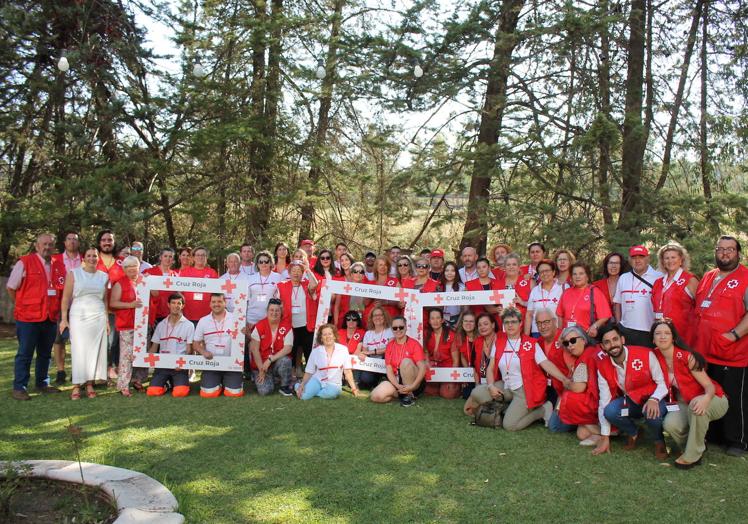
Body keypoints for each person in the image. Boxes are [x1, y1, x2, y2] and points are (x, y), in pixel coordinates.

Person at [464, 308, 568, 430]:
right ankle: (510, 407)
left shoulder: (530, 343)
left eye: (513, 321)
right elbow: (490, 368)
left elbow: (545, 363)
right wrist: (491, 386)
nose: (510, 325)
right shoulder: (499, 342)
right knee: (476, 392)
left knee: (510, 425)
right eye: (507, 322)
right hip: (506, 386)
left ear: (520, 323)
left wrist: (564, 379)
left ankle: (542, 410)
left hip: (524, 389)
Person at [694, 235, 748, 456]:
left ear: (738, 253)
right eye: (720, 249)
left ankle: (738, 441)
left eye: (730, 250)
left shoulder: (745, 277)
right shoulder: (708, 276)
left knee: (735, 399)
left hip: (733, 352)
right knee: (714, 394)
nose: (724, 253)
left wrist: (734, 334)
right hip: (707, 351)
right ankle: (715, 435)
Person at [652, 319, 728, 468]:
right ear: (653, 339)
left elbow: (709, 386)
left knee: (696, 406)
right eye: (658, 333)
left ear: (673, 338)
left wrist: (706, 399)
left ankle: (692, 456)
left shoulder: (687, 357)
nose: (662, 336)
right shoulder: (653, 356)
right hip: (683, 401)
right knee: (670, 424)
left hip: (713, 398)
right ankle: (696, 445)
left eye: (667, 333)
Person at [592, 323, 669, 460]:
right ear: (603, 347)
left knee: (652, 412)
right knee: (610, 411)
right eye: (607, 342)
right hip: (631, 402)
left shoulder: (645, 354)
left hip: (654, 399)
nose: (612, 345)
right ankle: (634, 433)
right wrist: (605, 436)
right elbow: (604, 401)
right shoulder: (603, 366)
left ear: (622, 340)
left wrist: (654, 399)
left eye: (615, 339)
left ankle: (659, 440)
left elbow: (662, 383)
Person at [7, 233, 62, 400]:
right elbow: (11, 287)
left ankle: (42, 383)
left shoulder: (57, 264)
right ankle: (19, 387)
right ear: (37, 246)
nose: (47, 247)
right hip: (28, 318)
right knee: (25, 353)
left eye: (50, 245)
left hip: (49, 317)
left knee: (45, 353)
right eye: (44, 244)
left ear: (54, 247)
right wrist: (22, 305)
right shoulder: (24, 262)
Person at [59, 247, 109, 400]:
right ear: (84, 258)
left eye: (95, 256)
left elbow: (105, 300)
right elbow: (66, 298)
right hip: (78, 316)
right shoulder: (74, 273)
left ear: (98, 258)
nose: (92, 258)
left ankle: (89, 383)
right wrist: (64, 319)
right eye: (89, 256)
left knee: (94, 351)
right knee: (79, 350)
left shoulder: (104, 276)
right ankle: (76, 385)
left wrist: (106, 319)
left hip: (98, 316)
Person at [547, 326, 602, 446]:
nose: (570, 346)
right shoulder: (591, 352)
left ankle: (608, 433)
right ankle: (604, 431)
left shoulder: (586, 356)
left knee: (567, 398)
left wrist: (567, 383)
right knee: (582, 434)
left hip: (595, 404)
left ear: (583, 339)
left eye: (573, 341)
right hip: (598, 403)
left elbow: (579, 388)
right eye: (566, 343)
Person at [193, 294, 244, 398]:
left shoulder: (236, 318)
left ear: (225, 303)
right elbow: (196, 344)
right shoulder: (203, 321)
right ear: (210, 304)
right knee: (208, 394)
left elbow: (244, 339)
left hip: (231, 364)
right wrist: (203, 352)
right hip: (212, 364)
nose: (216, 304)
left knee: (234, 394)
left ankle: (228, 381)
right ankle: (218, 382)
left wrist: (245, 332)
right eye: (214, 302)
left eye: (219, 301)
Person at [109, 256, 147, 396]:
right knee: (127, 355)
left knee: (142, 353)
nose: (133, 271)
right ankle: (123, 385)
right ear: (124, 269)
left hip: (142, 324)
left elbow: (154, 293)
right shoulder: (120, 283)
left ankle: (138, 380)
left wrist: (148, 279)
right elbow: (113, 303)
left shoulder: (143, 280)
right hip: (127, 324)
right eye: (129, 269)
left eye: (135, 268)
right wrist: (129, 305)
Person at [370, 316, 428, 406]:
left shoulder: (414, 344)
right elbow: (389, 370)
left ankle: (409, 394)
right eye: (395, 328)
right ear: (392, 330)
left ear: (406, 328)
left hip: (414, 382)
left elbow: (423, 368)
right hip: (397, 380)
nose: (398, 330)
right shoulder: (390, 346)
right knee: (376, 396)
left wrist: (413, 386)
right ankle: (400, 394)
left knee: (405, 362)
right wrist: (397, 386)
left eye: (401, 327)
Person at [613, 245, 663, 347]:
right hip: (626, 329)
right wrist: (619, 324)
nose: (637, 260)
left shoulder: (659, 277)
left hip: (649, 329)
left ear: (648, 258)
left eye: (641, 257)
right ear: (629, 260)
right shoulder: (623, 277)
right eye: (634, 258)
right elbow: (617, 303)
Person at [147, 293, 195, 397]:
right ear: (168, 305)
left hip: (179, 366)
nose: (176, 306)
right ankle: (168, 384)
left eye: (179, 303)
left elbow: (189, 350)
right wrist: (141, 358)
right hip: (162, 366)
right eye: (173, 303)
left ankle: (174, 383)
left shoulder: (189, 325)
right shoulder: (161, 325)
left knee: (180, 393)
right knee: (152, 392)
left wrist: (186, 366)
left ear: (183, 306)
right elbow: (154, 347)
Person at [651, 242, 699, 347]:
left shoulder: (690, 280)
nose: (670, 261)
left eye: (673, 257)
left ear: (681, 260)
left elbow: (700, 309)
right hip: (662, 335)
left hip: (684, 335)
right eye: (666, 258)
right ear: (662, 262)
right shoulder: (658, 282)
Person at [275, 260, 319, 376]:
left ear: (302, 273)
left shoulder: (306, 284)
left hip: (306, 325)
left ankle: (310, 376)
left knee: (309, 351)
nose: (296, 273)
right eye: (293, 271)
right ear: (289, 273)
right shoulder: (281, 285)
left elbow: (314, 284)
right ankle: (292, 375)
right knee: (292, 352)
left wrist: (308, 269)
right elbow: (276, 305)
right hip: (290, 325)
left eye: (299, 271)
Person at [295, 324, 359, 400]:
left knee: (332, 393)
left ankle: (313, 392)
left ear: (334, 336)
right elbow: (309, 372)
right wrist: (302, 384)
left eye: (330, 334)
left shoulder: (343, 350)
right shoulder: (315, 351)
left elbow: (347, 372)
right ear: (321, 338)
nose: (328, 337)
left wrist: (354, 389)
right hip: (317, 380)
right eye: (324, 335)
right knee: (304, 397)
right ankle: (297, 386)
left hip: (334, 384)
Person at [51, 230, 81, 385]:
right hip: (59, 306)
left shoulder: (85, 260)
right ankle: (61, 371)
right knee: (59, 340)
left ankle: (78, 371)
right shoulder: (54, 260)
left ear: (78, 243)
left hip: (80, 307)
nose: (72, 242)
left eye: (75, 239)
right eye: (69, 239)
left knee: (78, 341)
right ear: (64, 242)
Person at [249, 299, 294, 396]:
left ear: (281, 312)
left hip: (275, 362)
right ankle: (265, 377)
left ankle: (284, 386)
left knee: (286, 360)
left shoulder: (287, 326)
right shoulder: (259, 326)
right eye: (271, 310)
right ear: (267, 311)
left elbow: (288, 348)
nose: (274, 313)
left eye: (277, 310)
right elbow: (254, 350)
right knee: (265, 391)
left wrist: (270, 359)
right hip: (261, 364)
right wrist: (261, 369)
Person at [95, 229, 124, 381]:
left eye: (110, 240)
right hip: (95, 309)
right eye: (104, 240)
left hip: (115, 309)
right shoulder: (92, 259)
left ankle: (109, 368)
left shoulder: (121, 261)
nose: (107, 243)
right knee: (98, 341)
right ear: (99, 242)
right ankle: (97, 371)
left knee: (112, 341)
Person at [556, 262, 612, 339]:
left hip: (586, 336)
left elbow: (605, 316)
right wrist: (560, 334)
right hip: (567, 337)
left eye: (581, 273)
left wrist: (595, 326)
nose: (577, 276)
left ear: (587, 276)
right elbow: (560, 315)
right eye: (574, 274)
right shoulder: (566, 292)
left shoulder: (595, 292)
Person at [423, 309, 461, 399]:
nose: (435, 321)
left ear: (442, 320)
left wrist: (453, 380)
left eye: (438, 318)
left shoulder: (451, 335)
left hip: (448, 367)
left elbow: (456, 360)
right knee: (429, 391)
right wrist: (427, 362)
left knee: (448, 394)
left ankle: (451, 385)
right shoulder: (426, 333)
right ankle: (437, 385)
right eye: (432, 318)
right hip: (434, 366)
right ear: (429, 321)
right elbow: (425, 352)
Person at [355, 306, 393, 390]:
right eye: (375, 315)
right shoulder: (368, 333)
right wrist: (363, 354)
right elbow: (365, 352)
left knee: (367, 379)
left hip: (385, 362)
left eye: (380, 315)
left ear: (384, 316)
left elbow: (390, 348)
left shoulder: (390, 331)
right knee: (366, 378)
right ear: (371, 318)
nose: (377, 317)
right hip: (372, 363)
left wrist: (373, 352)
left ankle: (381, 380)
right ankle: (356, 383)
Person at [179, 246, 219, 325]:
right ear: (193, 257)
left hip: (208, 315)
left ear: (206, 258)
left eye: (203, 255)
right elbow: (179, 293)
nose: (200, 257)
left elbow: (217, 293)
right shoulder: (184, 272)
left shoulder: (212, 273)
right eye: (198, 255)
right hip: (188, 315)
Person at [525, 259, 563, 337]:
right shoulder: (534, 291)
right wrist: (526, 336)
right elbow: (529, 314)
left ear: (553, 272)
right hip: (537, 332)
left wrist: (561, 333)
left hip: (556, 331)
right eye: (541, 272)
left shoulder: (562, 288)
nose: (544, 273)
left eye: (547, 270)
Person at [464, 312, 499, 396]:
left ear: (493, 325)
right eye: (479, 325)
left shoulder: (502, 339)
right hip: (482, 382)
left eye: (486, 324)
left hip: (498, 382)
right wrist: (477, 385)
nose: (482, 327)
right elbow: (474, 368)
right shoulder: (477, 341)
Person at [246, 250, 282, 330]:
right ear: (257, 264)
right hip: (252, 318)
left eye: (266, 261)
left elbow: (281, 298)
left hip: (270, 318)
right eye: (260, 262)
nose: (264, 264)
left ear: (271, 263)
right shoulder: (250, 278)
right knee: (253, 342)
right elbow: (246, 300)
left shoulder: (278, 277)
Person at [534, 308, 563, 405]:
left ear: (555, 321)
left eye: (546, 322)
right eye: (539, 323)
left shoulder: (565, 339)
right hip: (545, 388)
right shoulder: (537, 343)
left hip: (562, 388)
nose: (543, 326)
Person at [494, 253, 533, 323]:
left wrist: (523, 302)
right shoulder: (497, 284)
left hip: (525, 323)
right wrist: (496, 309)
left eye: (514, 264)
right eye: (508, 265)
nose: (511, 267)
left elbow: (536, 304)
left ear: (519, 267)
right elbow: (492, 306)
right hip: (502, 324)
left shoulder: (529, 282)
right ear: (504, 267)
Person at [363, 256, 400, 323]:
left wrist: (385, 302)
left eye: (385, 265)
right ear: (376, 267)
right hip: (373, 318)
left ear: (388, 267)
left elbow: (400, 302)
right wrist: (371, 295)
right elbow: (365, 303)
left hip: (390, 316)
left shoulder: (395, 281)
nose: (383, 267)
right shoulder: (370, 284)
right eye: (380, 265)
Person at [453, 311, 478, 398]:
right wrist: (466, 374)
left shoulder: (481, 336)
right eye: (466, 321)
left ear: (476, 324)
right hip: (469, 370)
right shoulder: (460, 337)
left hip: (480, 371)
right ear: (462, 323)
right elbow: (463, 356)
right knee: (466, 394)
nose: (468, 323)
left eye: (471, 321)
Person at [334, 262, 367, 327]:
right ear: (351, 274)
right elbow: (336, 307)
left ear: (363, 275)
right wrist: (336, 324)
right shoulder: (343, 287)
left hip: (361, 323)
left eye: (361, 272)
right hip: (344, 322)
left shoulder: (369, 290)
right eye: (355, 271)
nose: (358, 274)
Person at [439, 261, 465, 327]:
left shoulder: (462, 287)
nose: (449, 273)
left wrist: (458, 323)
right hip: (441, 319)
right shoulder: (439, 286)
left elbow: (464, 309)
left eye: (452, 271)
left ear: (456, 272)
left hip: (457, 318)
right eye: (447, 270)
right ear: (443, 272)